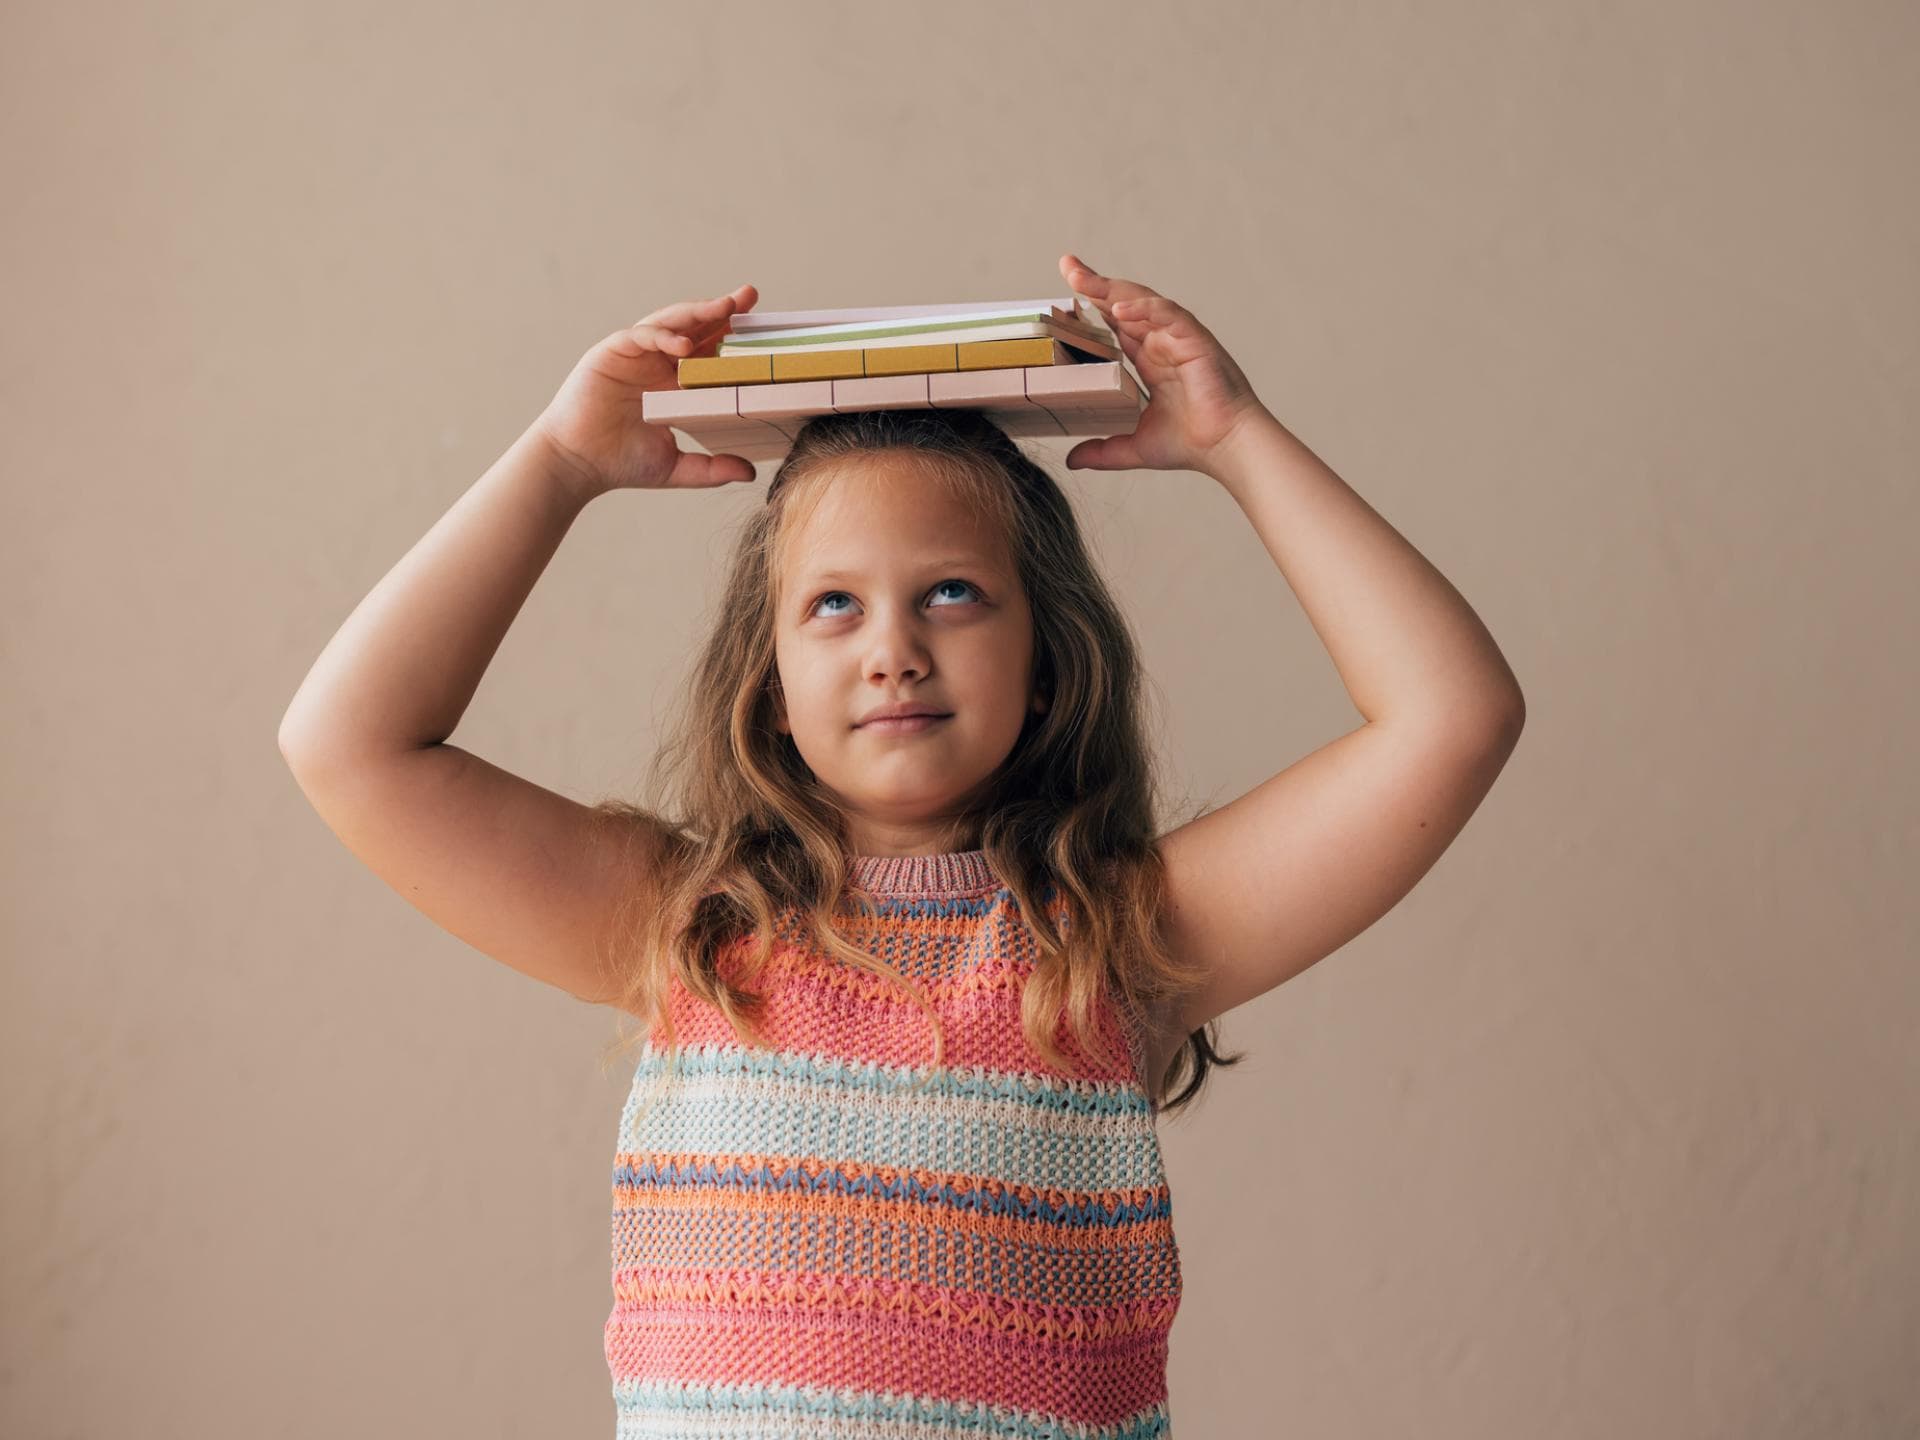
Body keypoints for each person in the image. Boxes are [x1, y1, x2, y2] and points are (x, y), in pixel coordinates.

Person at [278, 252, 1526, 1438]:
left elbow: (1451, 718)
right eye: (834, 605)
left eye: (951, 592)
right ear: (766, 683)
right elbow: (349, 744)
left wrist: (1236, 441)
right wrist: (556, 462)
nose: (894, 648)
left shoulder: (1115, 941)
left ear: (1047, 662)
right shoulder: (692, 930)